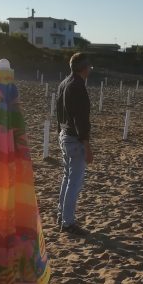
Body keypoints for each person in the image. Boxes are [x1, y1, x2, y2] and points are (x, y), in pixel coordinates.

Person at [56, 52, 93, 236]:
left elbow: (58, 111)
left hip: (64, 135)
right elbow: (81, 120)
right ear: (84, 68)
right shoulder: (78, 86)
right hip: (74, 139)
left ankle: (61, 215)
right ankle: (68, 222)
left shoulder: (64, 83)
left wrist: (59, 132)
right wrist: (87, 145)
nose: (90, 71)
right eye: (89, 68)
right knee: (74, 183)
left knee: (66, 178)